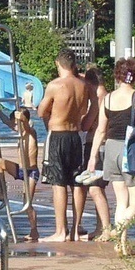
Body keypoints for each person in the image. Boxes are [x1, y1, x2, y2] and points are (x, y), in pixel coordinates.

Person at [78, 58, 135, 255]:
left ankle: (121, 245)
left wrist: (93, 157)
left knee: (121, 201)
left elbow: (101, 130)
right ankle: (117, 231)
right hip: (132, 150)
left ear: (118, 76)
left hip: (111, 148)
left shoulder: (108, 99)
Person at [36, 50, 96, 242]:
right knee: (77, 182)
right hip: (76, 136)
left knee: (58, 183)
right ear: (74, 65)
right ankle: (75, 230)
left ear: (58, 64)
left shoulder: (55, 85)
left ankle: (60, 231)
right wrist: (85, 123)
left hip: (57, 135)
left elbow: (41, 112)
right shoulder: (84, 85)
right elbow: (95, 105)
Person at [75, 66, 111, 241]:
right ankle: (100, 227)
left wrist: (79, 116)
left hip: (98, 145)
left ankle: (106, 228)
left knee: (95, 188)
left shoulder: (98, 96)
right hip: (104, 144)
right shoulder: (106, 94)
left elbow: (86, 125)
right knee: (98, 188)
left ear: (90, 83)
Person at [0, 108, 40, 241]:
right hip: (20, 169)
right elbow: (6, 121)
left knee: (27, 203)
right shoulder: (19, 132)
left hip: (31, 172)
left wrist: (23, 119)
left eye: (17, 122)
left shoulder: (31, 131)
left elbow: (26, 125)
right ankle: (1, 190)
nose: (15, 125)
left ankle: (34, 231)